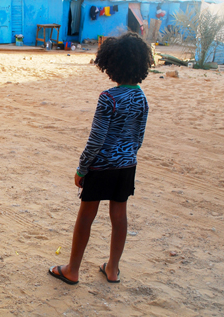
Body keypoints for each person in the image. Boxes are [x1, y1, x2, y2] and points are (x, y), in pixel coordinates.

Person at [49, 32, 151, 285]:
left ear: (111, 65)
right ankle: (113, 269)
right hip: (127, 165)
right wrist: (127, 157)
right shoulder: (141, 98)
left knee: (86, 214)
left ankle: (73, 270)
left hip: (101, 165)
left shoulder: (108, 98)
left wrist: (82, 169)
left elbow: (96, 140)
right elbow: (139, 137)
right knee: (119, 215)